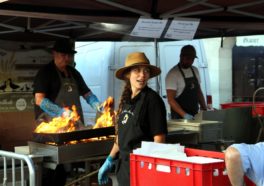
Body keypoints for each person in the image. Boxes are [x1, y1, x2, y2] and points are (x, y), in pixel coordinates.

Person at [33, 38, 102, 186]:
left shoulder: (74, 73)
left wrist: (98, 106)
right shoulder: (45, 73)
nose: (67, 58)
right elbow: (39, 100)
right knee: (50, 173)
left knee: (66, 172)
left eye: (69, 55)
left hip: (71, 131)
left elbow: (87, 94)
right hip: (51, 132)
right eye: (63, 55)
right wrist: (61, 113)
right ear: (54, 53)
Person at [97, 52, 168, 186]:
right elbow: (121, 136)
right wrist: (110, 159)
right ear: (127, 74)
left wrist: (151, 172)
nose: (142, 75)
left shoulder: (152, 100)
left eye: (146, 71)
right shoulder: (126, 100)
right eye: (137, 70)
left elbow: (159, 139)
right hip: (124, 170)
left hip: (142, 171)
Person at [165, 45, 207, 120]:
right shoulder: (173, 74)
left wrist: (204, 108)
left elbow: (198, 91)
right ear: (181, 56)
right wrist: (185, 115)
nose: (190, 61)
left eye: (192, 59)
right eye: (188, 59)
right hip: (179, 118)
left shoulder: (195, 70)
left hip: (195, 114)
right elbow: (171, 100)